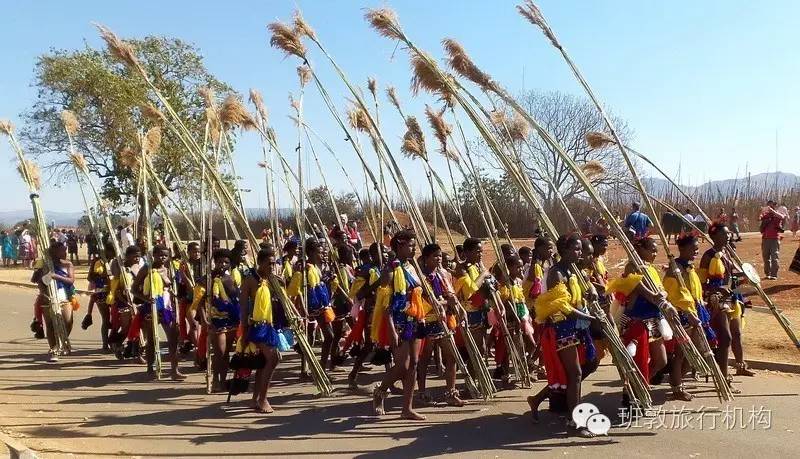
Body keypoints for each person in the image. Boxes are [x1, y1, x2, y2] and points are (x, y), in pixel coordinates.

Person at [526, 233, 597, 436]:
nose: (579, 252)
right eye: (575, 249)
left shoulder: (572, 270)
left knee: (575, 371)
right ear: (564, 251)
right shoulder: (556, 272)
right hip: (562, 328)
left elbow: (580, 292)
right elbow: (562, 306)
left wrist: (589, 292)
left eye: (580, 249)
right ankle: (576, 422)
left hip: (576, 325)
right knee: (575, 374)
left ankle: (538, 399)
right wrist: (588, 317)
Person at [607, 237, 679, 401]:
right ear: (640, 250)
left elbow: (660, 290)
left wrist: (663, 295)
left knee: (661, 361)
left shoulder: (650, 269)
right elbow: (645, 292)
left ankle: (639, 385)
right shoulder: (632, 267)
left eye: (656, 250)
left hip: (653, 318)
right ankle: (632, 392)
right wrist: (659, 298)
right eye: (651, 250)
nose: (654, 254)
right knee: (637, 359)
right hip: (637, 319)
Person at [372, 230, 427, 420]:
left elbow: (421, 292)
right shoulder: (389, 270)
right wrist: (392, 331)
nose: (414, 248)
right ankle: (380, 391)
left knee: (414, 364)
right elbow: (385, 305)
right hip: (398, 322)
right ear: (400, 246)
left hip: (415, 319)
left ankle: (407, 408)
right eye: (410, 245)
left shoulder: (413, 267)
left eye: (414, 245)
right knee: (402, 366)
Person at [661, 233, 716, 401]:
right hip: (681, 315)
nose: (696, 252)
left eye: (698, 249)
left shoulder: (689, 267)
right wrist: (686, 311)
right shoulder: (674, 268)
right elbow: (673, 293)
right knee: (681, 352)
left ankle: (676, 380)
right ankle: (677, 388)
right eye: (693, 248)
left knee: (693, 352)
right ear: (682, 248)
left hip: (695, 312)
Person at [415, 242, 464, 407]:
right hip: (428, 320)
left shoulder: (444, 274)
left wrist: (459, 308)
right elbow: (427, 300)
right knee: (425, 358)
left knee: (451, 356)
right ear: (426, 258)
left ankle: (451, 392)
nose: (439, 258)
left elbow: (451, 294)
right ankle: (421, 392)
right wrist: (444, 303)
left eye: (440, 255)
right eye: (435, 256)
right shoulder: (420, 277)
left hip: (444, 320)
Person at [240, 246, 286, 414]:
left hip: (269, 326)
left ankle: (255, 399)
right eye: (268, 264)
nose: (272, 267)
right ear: (259, 263)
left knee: (264, 362)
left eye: (274, 264)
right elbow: (244, 308)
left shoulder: (271, 279)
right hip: (256, 328)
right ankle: (262, 398)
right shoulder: (250, 280)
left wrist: (282, 284)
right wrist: (244, 332)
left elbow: (278, 303)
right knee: (273, 358)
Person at [131, 245, 185, 380]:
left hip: (167, 307)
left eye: (165, 256)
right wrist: (147, 299)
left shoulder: (170, 269)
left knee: (173, 339)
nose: (163, 258)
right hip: (151, 307)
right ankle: (150, 368)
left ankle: (174, 370)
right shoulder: (147, 269)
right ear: (153, 255)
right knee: (152, 340)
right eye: (160, 255)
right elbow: (134, 289)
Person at [32, 242, 78, 362]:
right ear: (54, 252)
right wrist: (43, 292)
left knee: (68, 321)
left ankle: (61, 342)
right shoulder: (46, 265)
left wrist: (55, 276)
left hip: (65, 297)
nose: (65, 252)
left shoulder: (68, 264)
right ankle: (54, 349)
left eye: (65, 250)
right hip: (49, 297)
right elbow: (37, 281)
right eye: (62, 250)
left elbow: (71, 280)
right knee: (50, 325)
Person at [84, 242, 116, 351]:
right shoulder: (97, 262)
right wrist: (101, 276)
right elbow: (89, 277)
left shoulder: (116, 261)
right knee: (106, 319)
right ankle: (105, 344)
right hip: (101, 293)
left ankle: (113, 341)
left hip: (115, 292)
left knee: (117, 319)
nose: (113, 253)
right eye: (111, 251)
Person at [759, 200, 783, 280]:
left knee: (774, 257)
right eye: (768, 205)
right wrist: (759, 211)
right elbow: (758, 218)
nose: (769, 207)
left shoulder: (776, 215)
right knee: (766, 257)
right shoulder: (766, 215)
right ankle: (767, 273)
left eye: (771, 205)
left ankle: (774, 274)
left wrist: (772, 211)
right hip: (765, 239)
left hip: (774, 239)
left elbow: (782, 217)